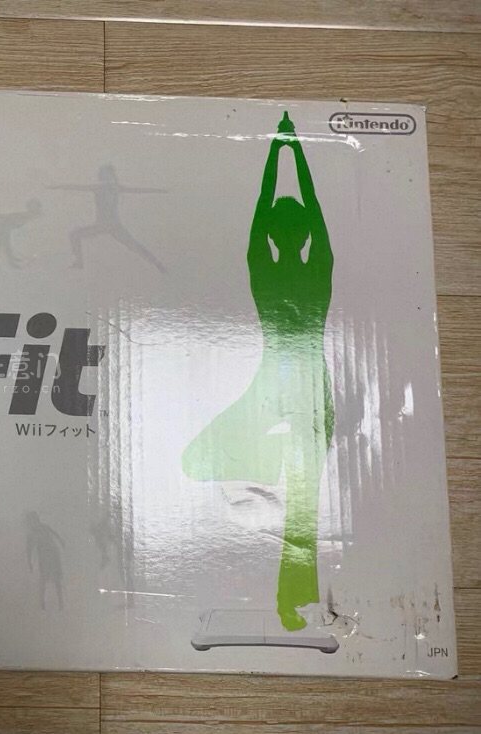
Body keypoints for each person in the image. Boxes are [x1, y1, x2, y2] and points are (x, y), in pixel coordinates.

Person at [182, 112, 334, 631]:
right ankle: (293, 594)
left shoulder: (265, 269)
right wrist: (291, 149)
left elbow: (262, 220)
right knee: (298, 501)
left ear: (273, 234)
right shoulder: (317, 270)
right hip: (296, 390)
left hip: (291, 393)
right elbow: (314, 212)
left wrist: (278, 150)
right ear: (305, 236)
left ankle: (295, 602)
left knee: (302, 504)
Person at [49, 164, 165, 271]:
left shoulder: (110, 187)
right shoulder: (108, 187)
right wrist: (55, 186)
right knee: (75, 235)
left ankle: (157, 264)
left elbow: (139, 190)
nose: (106, 178)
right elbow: (76, 187)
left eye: (107, 174)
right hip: (106, 225)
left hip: (110, 226)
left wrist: (160, 191)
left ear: (111, 175)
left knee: (134, 245)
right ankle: (79, 262)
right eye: (104, 175)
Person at [25, 511, 65, 610]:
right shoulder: (32, 533)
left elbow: (55, 535)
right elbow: (29, 549)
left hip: (52, 554)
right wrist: (29, 562)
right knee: (45, 579)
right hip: (45, 556)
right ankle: (44, 604)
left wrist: (61, 541)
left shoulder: (42, 528)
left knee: (55, 579)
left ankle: (59, 603)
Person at [0, 199, 42, 268]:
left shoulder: (36, 215)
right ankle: (10, 260)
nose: (32, 207)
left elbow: (14, 216)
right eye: (31, 206)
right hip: (5, 226)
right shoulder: (27, 214)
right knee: (5, 243)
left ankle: (11, 258)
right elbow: (12, 215)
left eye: (34, 206)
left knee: (7, 243)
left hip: (10, 227)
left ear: (38, 206)